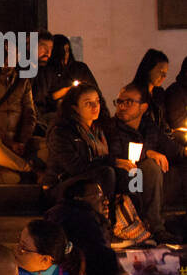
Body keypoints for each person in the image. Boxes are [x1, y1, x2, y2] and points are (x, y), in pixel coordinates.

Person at [104, 81, 183, 244]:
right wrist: (148, 153)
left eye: (128, 102)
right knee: (147, 169)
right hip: (124, 179)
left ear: (144, 107)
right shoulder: (110, 127)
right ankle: (155, 228)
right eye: (119, 102)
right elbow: (115, 154)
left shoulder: (150, 127)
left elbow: (173, 150)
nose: (122, 106)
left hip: (147, 183)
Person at [0, 56, 45, 185]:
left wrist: (22, 141)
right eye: (4, 54)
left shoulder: (22, 82)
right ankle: (29, 170)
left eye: (12, 55)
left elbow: (29, 115)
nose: (7, 59)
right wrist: (9, 143)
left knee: (47, 144)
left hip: (18, 140)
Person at [46, 83, 116, 203]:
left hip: (90, 179)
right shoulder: (62, 132)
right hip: (63, 184)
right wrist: (111, 161)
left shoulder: (99, 130)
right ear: (75, 108)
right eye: (88, 103)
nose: (95, 106)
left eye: (97, 101)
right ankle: (107, 215)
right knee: (106, 172)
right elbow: (75, 167)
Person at [131, 48, 171, 130]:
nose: (164, 76)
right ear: (149, 68)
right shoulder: (134, 94)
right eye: (161, 71)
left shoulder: (158, 93)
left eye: (165, 73)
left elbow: (163, 122)